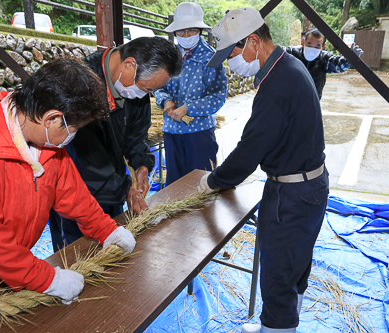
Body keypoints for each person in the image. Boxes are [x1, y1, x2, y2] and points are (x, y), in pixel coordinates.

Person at [0, 59, 135, 304]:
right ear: (51, 119)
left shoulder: (47, 145)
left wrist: (108, 231)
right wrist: (47, 279)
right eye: (75, 127)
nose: (74, 135)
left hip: (5, 276)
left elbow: (74, 195)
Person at [201, 8, 329, 333]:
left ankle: (277, 326)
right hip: (308, 186)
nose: (232, 64)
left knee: (278, 273)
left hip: (292, 194)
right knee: (295, 266)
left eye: (232, 54)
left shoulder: (277, 86)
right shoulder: (289, 66)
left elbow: (249, 152)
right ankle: (285, 322)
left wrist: (213, 182)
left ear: (253, 42)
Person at [48, 37, 183, 252]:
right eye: (146, 88)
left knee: (113, 246)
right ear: (129, 65)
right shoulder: (80, 84)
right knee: (79, 252)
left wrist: (141, 165)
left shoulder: (133, 84)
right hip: (76, 188)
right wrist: (126, 189)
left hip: (113, 184)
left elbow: (137, 133)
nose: (145, 94)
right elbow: (85, 156)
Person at [153, 2, 227, 186]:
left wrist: (188, 108)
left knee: (201, 186)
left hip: (199, 133)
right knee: (174, 186)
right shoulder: (168, 57)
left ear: (200, 30)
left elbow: (218, 96)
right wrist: (166, 101)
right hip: (172, 131)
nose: (186, 35)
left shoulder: (211, 58)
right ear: (174, 32)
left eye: (191, 30)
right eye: (181, 31)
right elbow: (157, 86)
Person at [284, 28, 363, 99]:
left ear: (323, 47)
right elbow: (273, 52)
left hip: (311, 103)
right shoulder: (291, 53)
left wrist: (350, 58)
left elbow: (339, 65)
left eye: (317, 47)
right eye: (309, 45)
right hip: (288, 101)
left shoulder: (324, 59)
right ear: (303, 42)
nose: (312, 49)